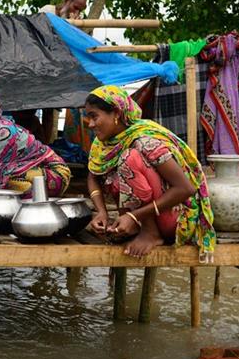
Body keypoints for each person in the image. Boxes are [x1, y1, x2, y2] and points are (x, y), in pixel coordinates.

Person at [84, 85, 215, 260]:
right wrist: (102, 212)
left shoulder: (146, 140)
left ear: (116, 113)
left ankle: (151, 233)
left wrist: (133, 215)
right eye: (89, 117)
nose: (90, 124)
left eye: (94, 117)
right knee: (118, 169)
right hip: (137, 218)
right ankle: (137, 227)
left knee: (129, 158)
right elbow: (93, 176)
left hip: (173, 220)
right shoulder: (102, 143)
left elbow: (186, 189)